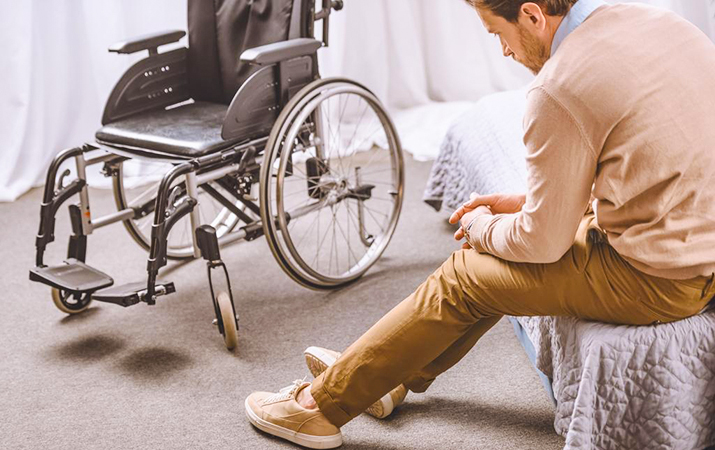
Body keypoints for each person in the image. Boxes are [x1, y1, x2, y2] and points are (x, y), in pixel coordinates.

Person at [244, 0, 715, 448]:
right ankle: (390, 376)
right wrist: (522, 204)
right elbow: (641, 155)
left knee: (465, 276)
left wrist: (482, 226)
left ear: (531, 14)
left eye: (498, 33)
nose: (504, 51)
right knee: (491, 259)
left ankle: (317, 407)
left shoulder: (559, 87)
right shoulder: (660, 23)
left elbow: (542, 244)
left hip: (662, 279)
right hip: (694, 240)